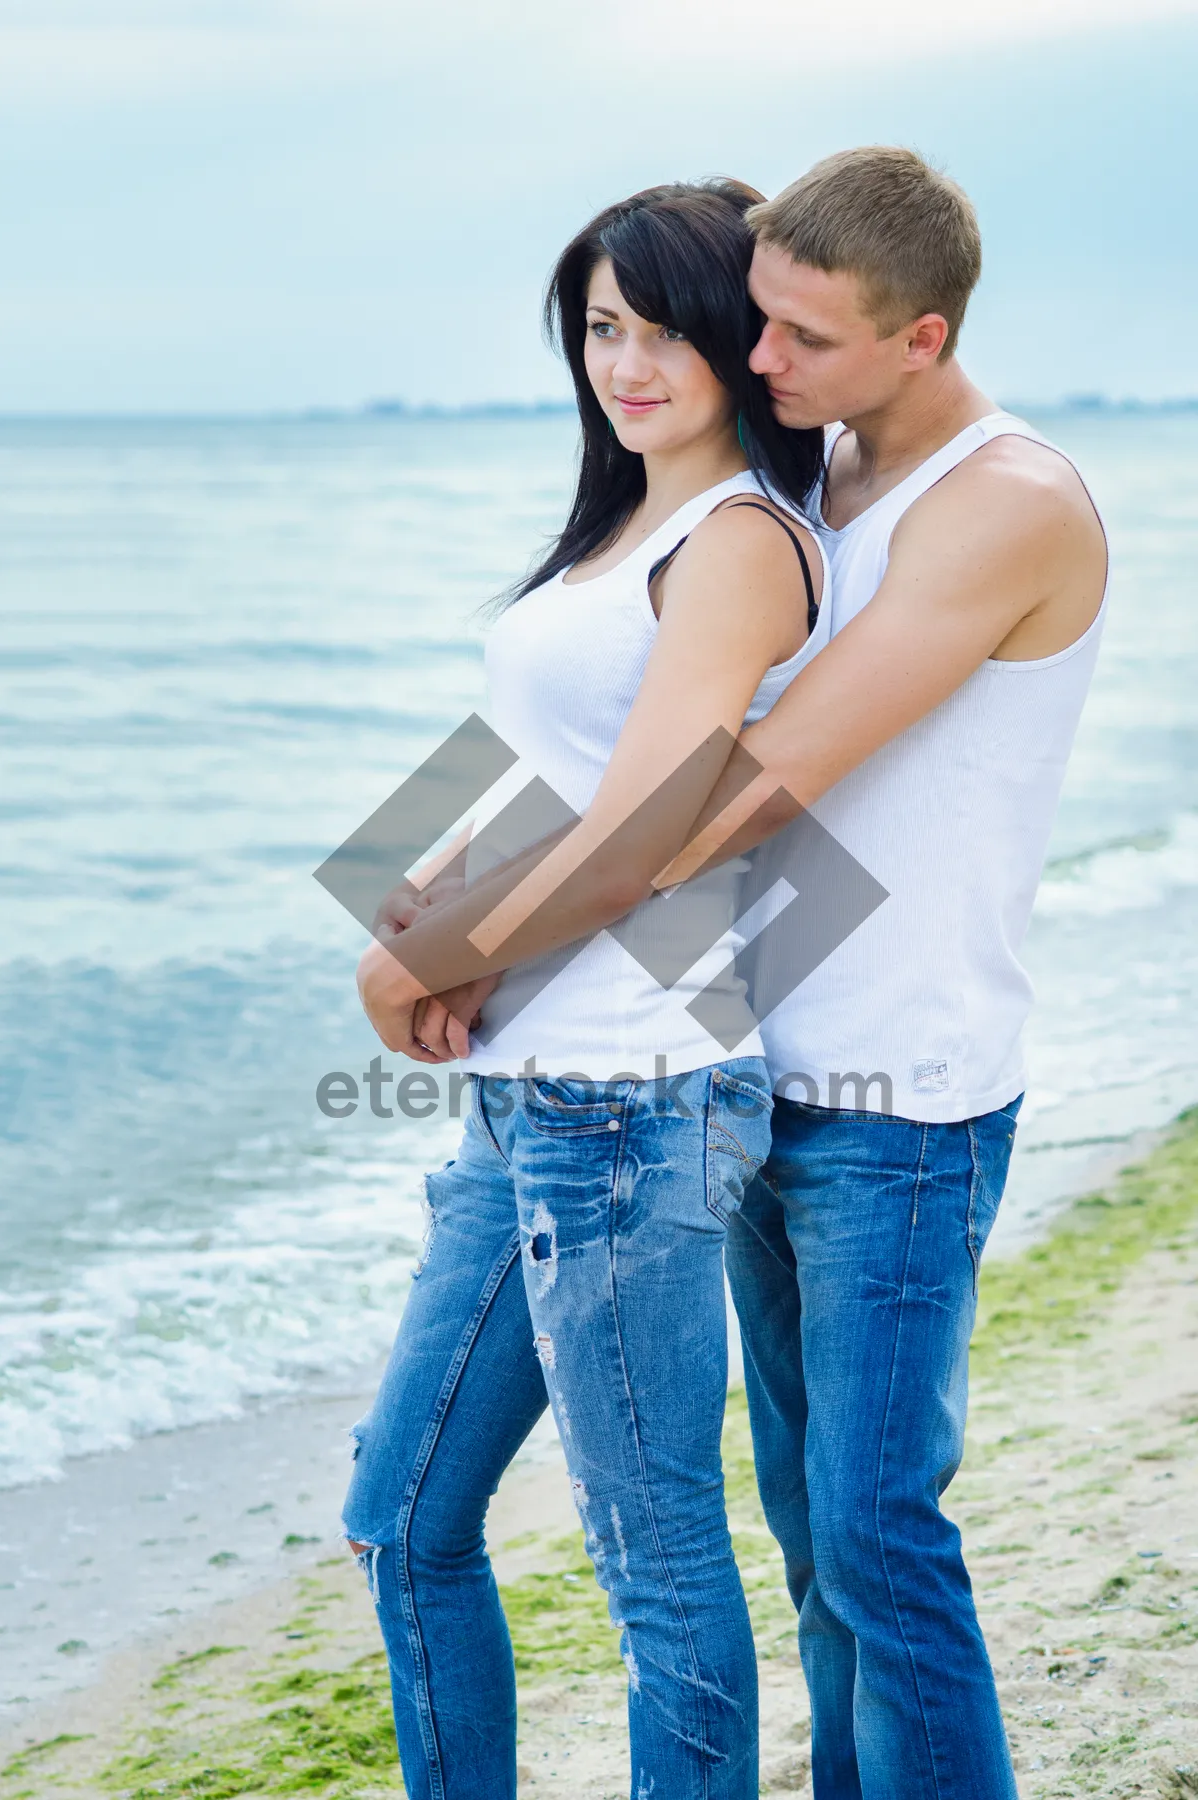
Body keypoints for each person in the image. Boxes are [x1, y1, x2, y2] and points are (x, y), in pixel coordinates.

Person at [360, 148, 1108, 1800]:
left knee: (871, 1540)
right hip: (748, 1047)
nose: (757, 363)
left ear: (919, 340)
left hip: (897, 1089)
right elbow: (606, 710)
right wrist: (440, 872)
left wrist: (428, 946)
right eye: (746, 322)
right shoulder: (808, 477)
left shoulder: (1000, 502)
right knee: (802, 1538)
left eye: (796, 338)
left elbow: (728, 794)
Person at [344, 178, 828, 1800]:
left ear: (737, 341)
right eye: (599, 327)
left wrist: (411, 960)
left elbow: (646, 835)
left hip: (631, 1099)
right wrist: (424, 882)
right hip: (529, 1094)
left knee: (657, 1561)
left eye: (661, 326)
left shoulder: (744, 539)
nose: (624, 363)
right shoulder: (625, 526)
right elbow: (549, 759)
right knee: (400, 1518)